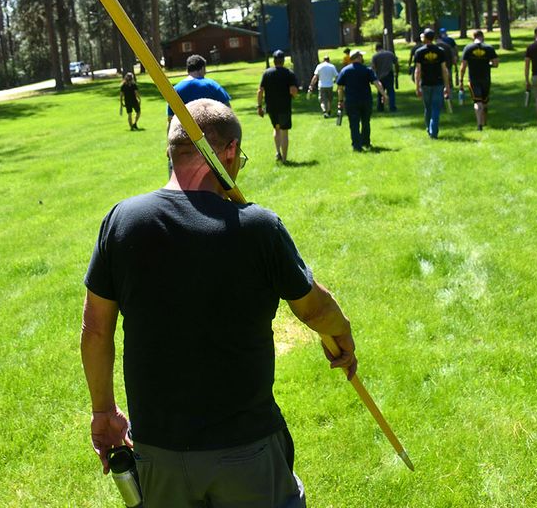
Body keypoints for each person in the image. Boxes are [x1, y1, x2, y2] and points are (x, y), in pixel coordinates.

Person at [81, 99, 358, 508]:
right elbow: (314, 309)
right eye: (240, 157)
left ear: (170, 153)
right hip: (246, 448)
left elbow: (96, 329)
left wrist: (103, 412)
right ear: (228, 152)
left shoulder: (123, 221)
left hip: (159, 452)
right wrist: (343, 333)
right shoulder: (257, 227)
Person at [336, 50, 387, 152]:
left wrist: (340, 100)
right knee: (365, 122)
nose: (362, 58)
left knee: (354, 123)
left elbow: (340, 87)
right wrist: (384, 95)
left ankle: (356, 145)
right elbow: (376, 83)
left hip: (351, 101)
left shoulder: (345, 71)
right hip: (366, 100)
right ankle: (366, 142)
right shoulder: (367, 70)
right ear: (358, 57)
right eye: (361, 56)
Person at [257, 50, 301, 163]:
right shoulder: (289, 73)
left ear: (274, 60)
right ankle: (285, 159)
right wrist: (295, 94)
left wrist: (259, 106)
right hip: (284, 107)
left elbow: (260, 91)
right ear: (283, 60)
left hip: (271, 107)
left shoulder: (267, 73)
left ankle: (278, 152)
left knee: (276, 129)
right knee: (284, 131)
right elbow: (293, 91)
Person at [167, 54, 230, 125]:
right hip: (211, 131)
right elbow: (227, 109)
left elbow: (171, 119)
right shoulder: (212, 85)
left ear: (187, 70)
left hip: (187, 132)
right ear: (202, 69)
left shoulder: (176, 90)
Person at [412, 29, 451, 138]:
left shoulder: (419, 52)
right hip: (438, 83)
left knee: (428, 108)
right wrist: (447, 86)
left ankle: (430, 129)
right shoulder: (440, 51)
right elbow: (444, 70)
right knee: (435, 108)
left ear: (425, 38)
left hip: (425, 83)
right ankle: (433, 130)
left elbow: (418, 71)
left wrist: (417, 86)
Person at [459, 30, 499, 130]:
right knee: (485, 102)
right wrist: (488, 64)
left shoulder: (468, 48)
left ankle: (479, 124)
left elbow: (463, 66)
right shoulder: (489, 48)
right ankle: (484, 121)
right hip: (486, 79)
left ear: (473, 37)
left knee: (477, 102)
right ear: (482, 37)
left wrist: (460, 80)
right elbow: (495, 63)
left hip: (473, 79)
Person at [370, 44, 398, 112]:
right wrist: (397, 72)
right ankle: (392, 107)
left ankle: (380, 107)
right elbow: (396, 63)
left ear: (376, 49)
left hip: (380, 76)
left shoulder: (375, 56)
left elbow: (373, 67)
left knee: (380, 91)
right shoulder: (390, 54)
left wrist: (373, 77)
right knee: (391, 91)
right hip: (389, 74)